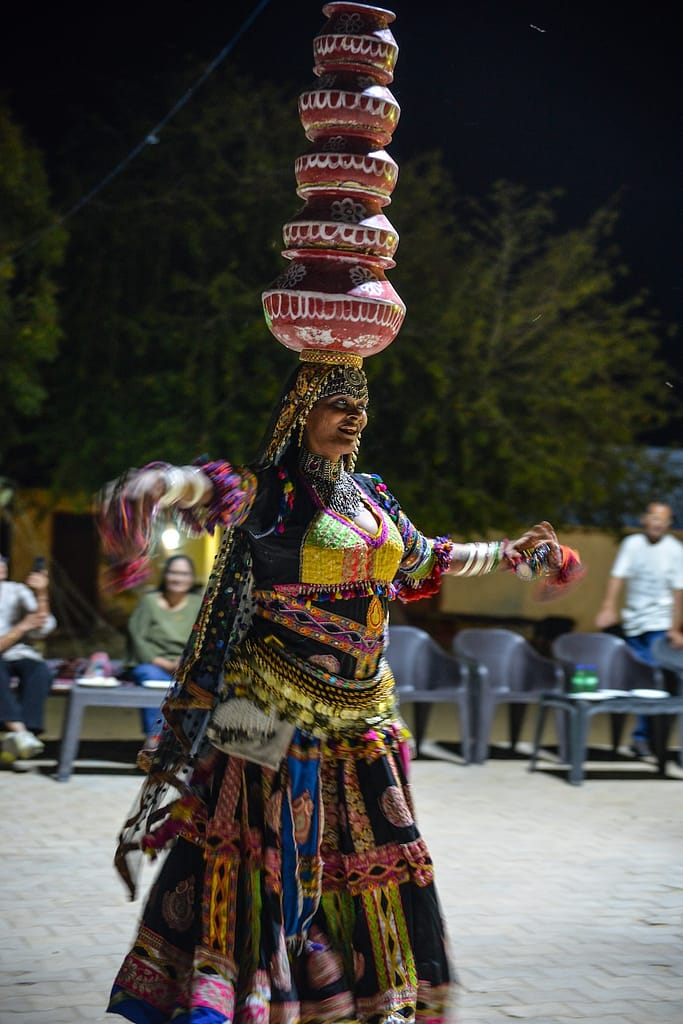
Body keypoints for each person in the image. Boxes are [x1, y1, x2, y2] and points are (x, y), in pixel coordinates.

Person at [99, 354, 581, 1024]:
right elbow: (194, 490)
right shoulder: (268, 492)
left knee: (370, 858)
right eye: (336, 401)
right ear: (299, 412)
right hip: (266, 712)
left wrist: (515, 551)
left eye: (359, 401)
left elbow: (424, 557)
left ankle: (355, 1002)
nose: (353, 414)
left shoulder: (371, 496)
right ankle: (247, 999)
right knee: (254, 859)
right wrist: (150, 486)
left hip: (362, 715)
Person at [595, 501, 683, 756]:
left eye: (663, 520)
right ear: (644, 519)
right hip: (634, 624)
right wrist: (608, 607)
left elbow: (679, 592)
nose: (657, 523)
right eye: (653, 518)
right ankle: (646, 738)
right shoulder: (632, 545)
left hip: (659, 625)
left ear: (669, 524)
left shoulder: (675, 550)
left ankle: (644, 738)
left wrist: (676, 628)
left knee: (651, 679)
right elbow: (617, 577)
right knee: (637, 681)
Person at [126, 554, 202, 740]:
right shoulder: (149, 602)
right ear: (165, 575)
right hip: (153, 664)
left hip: (186, 665)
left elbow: (203, 637)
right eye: (173, 572)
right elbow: (137, 637)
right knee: (155, 681)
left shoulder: (198, 603)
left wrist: (185, 661)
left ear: (191, 579)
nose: (178, 578)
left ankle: (189, 742)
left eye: (184, 574)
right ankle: (154, 739)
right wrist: (163, 663)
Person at [0, 554, 57, 762]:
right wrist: (22, 626)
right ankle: (21, 732)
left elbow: (43, 625)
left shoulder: (16, 590)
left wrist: (42, 592)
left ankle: (20, 737)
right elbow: (27, 626)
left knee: (39, 671)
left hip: (19, 652)